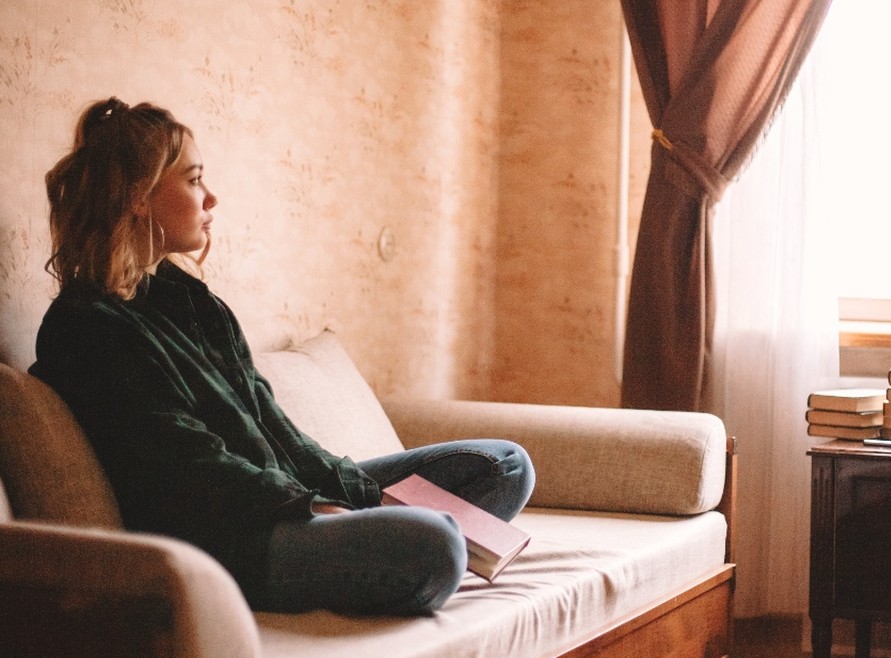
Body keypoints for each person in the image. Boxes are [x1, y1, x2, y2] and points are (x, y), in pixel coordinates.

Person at [29, 97, 535, 616]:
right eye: (194, 180)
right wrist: (311, 507)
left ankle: (380, 533)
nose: (212, 198)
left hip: (283, 498)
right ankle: (392, 546)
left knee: (505, 466)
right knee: (438, 546)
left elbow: (275, 427)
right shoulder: (86, 328)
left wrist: (359, 495)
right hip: (231, 538)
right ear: (139, 197)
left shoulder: (193, 303)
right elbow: (188, 465)